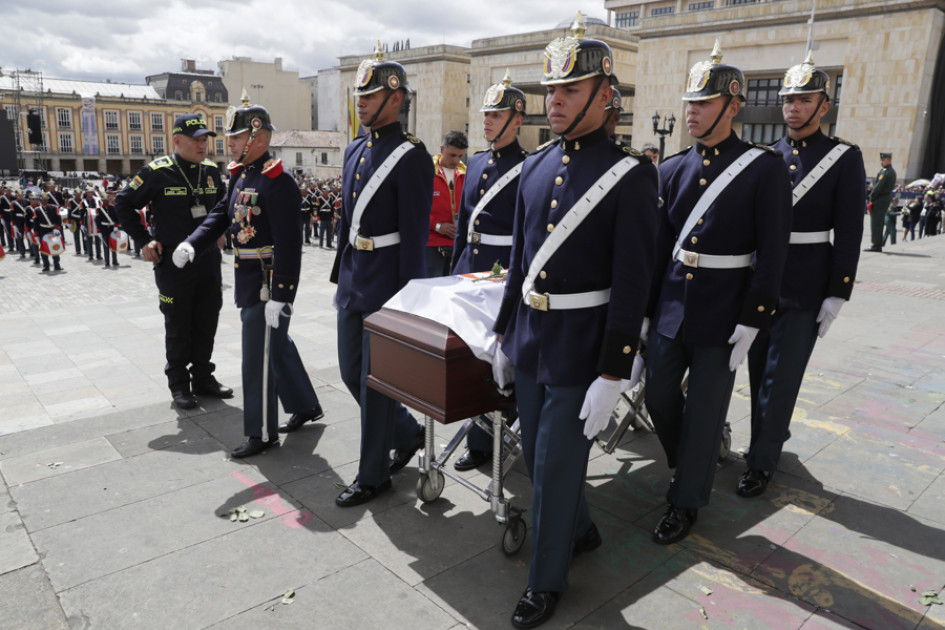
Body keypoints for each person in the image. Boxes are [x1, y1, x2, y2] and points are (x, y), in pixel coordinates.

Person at [493, 15, 659, 628]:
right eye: (550, 91)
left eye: (568, 90)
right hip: (534, 339)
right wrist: (505, 335)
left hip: (585, 348)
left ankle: (545, 580)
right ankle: (581, 532)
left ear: (603, 95)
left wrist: (615, 370)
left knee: (557, 465)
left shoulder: (631, 176)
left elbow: (634, 283)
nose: (553, 100)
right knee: (534, 459)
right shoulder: (534, 166)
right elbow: (519, 263)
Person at [644, 40, 791, 544]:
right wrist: (646, 313)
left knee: (706, 410)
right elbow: (658, 250)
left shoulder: (763, 166)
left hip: (727, 312)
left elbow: (773, 251)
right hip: (670, 309)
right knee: (660, 397)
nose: (691, 112)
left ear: (732, 106)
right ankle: (689, 463)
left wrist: (755, 317)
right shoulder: (672, 168)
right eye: (689, 103)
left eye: (702, 104)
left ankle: (685, 500)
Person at [739, 54, 865, 498]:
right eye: (788, 99)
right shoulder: (767, 154)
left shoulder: (843, 158)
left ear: (823, 107)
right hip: (761, 281)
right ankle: (767, 440)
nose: (792, 107)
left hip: (807, 281)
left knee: (782, 376)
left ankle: (762, 461)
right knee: (758, 373)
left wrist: (838, 291)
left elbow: (850, 229)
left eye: (803, 99)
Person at [174, 99, 324, 458]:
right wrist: (193, 243)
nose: (230, 143)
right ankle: (304, 404)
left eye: (237, 136)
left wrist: (282, 295)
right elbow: (220, 217)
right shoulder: (242, 174)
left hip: (269, 282)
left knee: (256, 356)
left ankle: (261, 433)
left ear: (258, 136)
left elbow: (290, 244)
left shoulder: (278, 180)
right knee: (276, 346)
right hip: (248, 278)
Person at [331, 44, 431, 507]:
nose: (361, 101)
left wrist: (410, 298)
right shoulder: (354, 148)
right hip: (355, 277)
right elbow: (345, 223)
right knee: (352, 372)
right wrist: (340, 272)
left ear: (395, 97)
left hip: (388, 284)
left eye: (370, 94)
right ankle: (406, 431)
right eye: (359, 94)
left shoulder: (412, 155)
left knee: (373, 382)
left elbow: (414, 234)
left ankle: (372, 476)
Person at [115, 114, 233, 409]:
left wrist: (221, 233)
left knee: (207, 320)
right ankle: (179, 384)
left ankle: (203, 378)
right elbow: (123, 203)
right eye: (196, 139)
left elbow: (222, 206)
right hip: (172, 263)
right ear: (177, 141)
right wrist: (143, 240)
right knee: (178, 324)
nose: (202, 144)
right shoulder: (157, 171)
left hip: (207, 260)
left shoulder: (211, 171)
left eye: (205, 139)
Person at [450, 69, 528, 472]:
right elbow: (463, 225)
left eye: (495, 116)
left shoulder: (528, 167)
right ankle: (479, 440)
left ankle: (497, 433)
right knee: (471, 360)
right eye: (485, 115)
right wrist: (454, 270)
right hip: (470, 269)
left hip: (502, 275)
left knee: (498, 360)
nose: (487, 122)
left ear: (517, 120)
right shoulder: (476, 161)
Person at [427, 130, 467, 277]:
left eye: (460, 156)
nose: (456, 160)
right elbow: (414, 211)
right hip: (431, 245)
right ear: (442, 149)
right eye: (452, 155)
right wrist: (437, 226)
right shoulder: (426, 172)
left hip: (457, 245)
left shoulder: (466, 174)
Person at [866, 152, 896, 251]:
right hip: (884, 198)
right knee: (878, 222)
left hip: (880, 199)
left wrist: (871, 196)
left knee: (876, 223)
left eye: (883, 160)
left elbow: (878, 187)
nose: (881, 162)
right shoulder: (889, 171)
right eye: (881, 160)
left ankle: (876, 245)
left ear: (889, 160)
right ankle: (877, 244)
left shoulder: (885, 172)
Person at [31, 192, 64, 272]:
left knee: (55, 247)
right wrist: (36, 234)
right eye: (43, 199)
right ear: (40, 200)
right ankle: (46, 266)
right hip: (42, 230)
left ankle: (57, 265)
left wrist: (57, 228)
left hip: (52, 230)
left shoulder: (54, 208)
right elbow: (35, 223)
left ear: (48, 199)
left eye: (46, 199)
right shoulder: (37, 210)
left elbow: (58, 218)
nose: (44, 201)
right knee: (43, 249)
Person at [96, 189, 121, 267]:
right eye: (104, 200)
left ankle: (114, 260)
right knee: (106, 246)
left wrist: (116, 226)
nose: (106, 201)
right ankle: (107, 261)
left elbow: (117, 218)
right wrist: (99, 231)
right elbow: (97, 221)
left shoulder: (113, 208)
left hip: (112, 229)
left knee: (113, 245)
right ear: (102, 200)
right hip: (104, 229)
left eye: (107, 199)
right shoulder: (99, 210)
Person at [81, 190, 103, 262]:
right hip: (88, 223)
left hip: (96, 222)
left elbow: (100, 211)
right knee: (89, 240)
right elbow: (81, 213)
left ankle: (98, 254)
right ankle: (90, 255)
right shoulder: (83, 202)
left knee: (97, 239)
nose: (90, 193)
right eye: (89, 192)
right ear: (86, 193)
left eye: (91, 192)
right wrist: (82, 224)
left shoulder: (97, 200)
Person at [317, 184, 334, 249]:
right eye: (324, 191)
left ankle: (328, 244)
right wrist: (318, 219)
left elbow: (332, 209)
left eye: (327, 191)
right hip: (322, 217)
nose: (325, 192)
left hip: (329, 217)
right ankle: (320, 244)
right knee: (321, 233)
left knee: (329, 233)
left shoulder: (330, 199)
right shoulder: (319, 199)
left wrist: (332, 218)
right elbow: (318, 209)